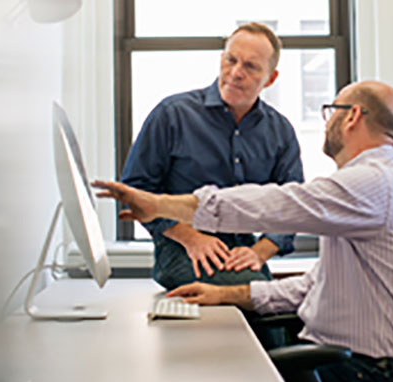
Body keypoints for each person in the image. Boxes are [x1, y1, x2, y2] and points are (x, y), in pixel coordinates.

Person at [94, 80, 393, 382]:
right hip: (363, 369)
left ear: (351, 117)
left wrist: (160, 204)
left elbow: (276, 203)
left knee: (215, 375)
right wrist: (225, 294)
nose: (327, 122)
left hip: (364, 377)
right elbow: (313, 286)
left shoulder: (372, 182)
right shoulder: (388, 186)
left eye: (330, 111)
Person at [121, 22, 304, 290]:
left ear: (271, 78)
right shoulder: (173, 114)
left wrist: (260, 251)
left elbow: (292, 205)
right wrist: (192, 239)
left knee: (276, 303)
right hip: (182, 246)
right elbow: (134, 192)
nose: (236, 73)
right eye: (231, 60)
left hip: (244, 251)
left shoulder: (280, 131)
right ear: (221, 58)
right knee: (252, 297)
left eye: (251, 67)